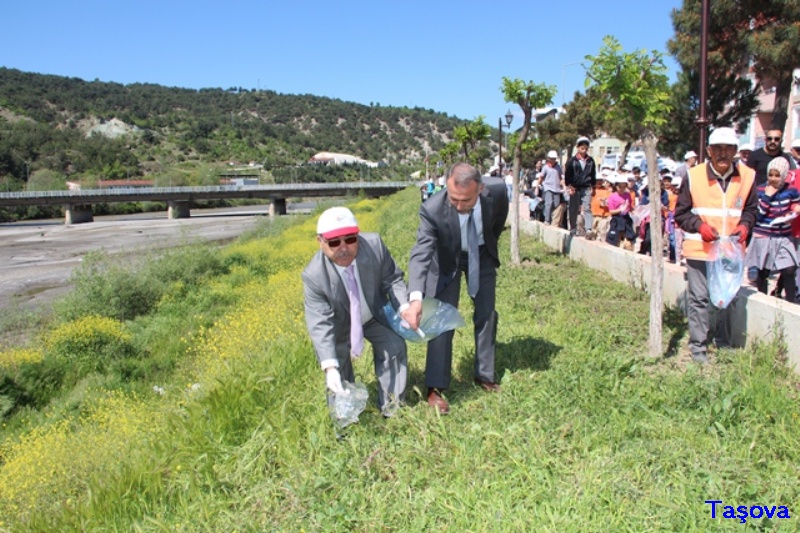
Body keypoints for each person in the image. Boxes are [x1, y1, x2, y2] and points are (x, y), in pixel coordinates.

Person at [402, 163, 509, 414]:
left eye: (466, 201)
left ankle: (485, 374)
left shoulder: (498, 191)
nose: (459, 206)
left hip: (481, 254)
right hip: (446, 259)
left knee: (486, 313)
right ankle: (436, 386)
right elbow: (421, 253)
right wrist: (415, 298)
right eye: (454, 199)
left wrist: (486, 247)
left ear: (480, 189)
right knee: (442, 318)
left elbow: (497, 223)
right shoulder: (432, 209)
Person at [302, 206, 409, 417]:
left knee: (394, 346)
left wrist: (404, 306)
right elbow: (319, 323)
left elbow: (392, 278)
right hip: (339, 325)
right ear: (320, 242)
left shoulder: (375, 246)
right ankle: (346, 422)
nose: (344, 248)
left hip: (373, 315)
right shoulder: (314, 276)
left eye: (350, 239)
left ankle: (393, 410)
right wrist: (330, 367)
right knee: (338, 372)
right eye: (334, 242)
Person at [674, 127, 757, 364]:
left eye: (728, 149)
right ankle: (698, 347)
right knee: (699, 298)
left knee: (726, 296)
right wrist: (699, 226)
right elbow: (681, 213)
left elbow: (751, 210)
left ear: (735, 151)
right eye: (717, 149)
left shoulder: (747, 176)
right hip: (700, 248)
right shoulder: (694, 175)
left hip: (730, 249)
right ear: (708, 151)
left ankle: (723, 341)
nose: (723, 154)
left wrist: (745, 226)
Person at [745, 158, 800, 303]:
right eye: (771, 175)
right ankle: (763, 301)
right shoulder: (761, 189)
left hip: (783, 235)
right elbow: (759, 213)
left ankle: (790, 304)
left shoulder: (791, 190)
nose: (774, 179)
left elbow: (794, 204)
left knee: (789, 269)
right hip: (764, 234)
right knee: (763, 271)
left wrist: (794, 211)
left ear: (784, 175)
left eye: (777, 175)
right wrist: (768, 196)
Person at [564, 136, 597, 236]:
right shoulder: (572, 161)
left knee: (587, 207)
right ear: (578, 148)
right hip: (575, 188)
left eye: (586, 149)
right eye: (582, 148)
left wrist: (593, 185)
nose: (584, 150)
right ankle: (573, 228)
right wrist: (569, 186)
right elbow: (567, 174)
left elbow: (593, 174)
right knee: (574, 208)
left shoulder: (590, 161)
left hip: (586, 187)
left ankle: (588, 229)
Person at [605, 173, 636, 250]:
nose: (622, 189)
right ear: (616, 186)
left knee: (630, 236)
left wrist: (634, 210)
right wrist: (620, 210)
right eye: (620, 187)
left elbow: (629, 206)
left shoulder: (628, 195)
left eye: (624, 187)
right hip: (617, 218)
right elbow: (611, 211)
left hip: (626, 218)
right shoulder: (612, 196)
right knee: (614, 238)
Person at [538, 150, 564, 225]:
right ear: (548, 159)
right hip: (548, 187)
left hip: (556, 189)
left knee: (556, 205)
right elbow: (541, 177)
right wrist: (537, 186)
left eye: (554, 158)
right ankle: (547, 220)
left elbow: (561, 177)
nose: (553, 160)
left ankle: (554, 220)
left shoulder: (558, 168)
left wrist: (564, 186)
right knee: (548, 203)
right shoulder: (545, 167)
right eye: (551, 158)